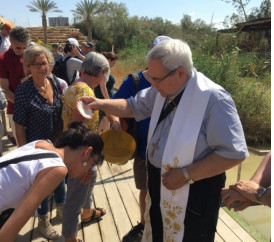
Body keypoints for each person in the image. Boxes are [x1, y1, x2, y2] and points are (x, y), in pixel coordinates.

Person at [81, 38, 249, 242]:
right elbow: (132, 106)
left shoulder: (214, 100)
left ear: (180, 72)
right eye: (150, 76)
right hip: (160, 183)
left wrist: (187, 174)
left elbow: (234, 152)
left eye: (156, 79)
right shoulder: (162, 89)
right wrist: (99, 103)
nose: (151, 83)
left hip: (192, 192)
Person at [0, 122, 104, 242]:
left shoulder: (41, 144)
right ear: (87, 152)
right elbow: (3, 237)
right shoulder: (57, 170)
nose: (89, 170)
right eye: (93, 163)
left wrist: (83, 168)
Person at [62, 52, 120, 242]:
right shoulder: (85, 92)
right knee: (74, 198)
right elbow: (76, 130)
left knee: (92, 176)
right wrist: (82, 163)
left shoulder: (75, 86)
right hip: (81, 155)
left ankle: (87, 212)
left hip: (85, 153)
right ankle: (70, 237)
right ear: (102, 72)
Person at [120, 35, 172, 242]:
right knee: (145, 190)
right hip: (143, 149)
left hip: (170, 154)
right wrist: (111, 117)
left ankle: (163, 227)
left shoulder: (182, 84)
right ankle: (143, 224)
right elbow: (119, 105)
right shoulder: (135, 81)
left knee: (168, 193)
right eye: (155, 53)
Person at [13, 45, 67, 239]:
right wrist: (25, 153)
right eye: (37, 65)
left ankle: (62, 209)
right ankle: (43, 221)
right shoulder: (24, 90)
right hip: (37, 147)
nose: (42, 68)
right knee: (42, 185)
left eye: (44, 63)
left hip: (57, 142)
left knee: (60, 177)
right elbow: (19, 125)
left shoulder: (53, 82)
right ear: (28, 66)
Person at [0, 26, 30, 143]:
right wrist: (23, 105)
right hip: (16, 107)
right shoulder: (3, 59)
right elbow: (5, 88)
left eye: (24, 48)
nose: (21, 51)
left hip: (35, 106)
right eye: (18, 48)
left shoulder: (30, 55)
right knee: (22, 146)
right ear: (10, 42)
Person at [94, 51, 117, 132]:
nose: (114, 65)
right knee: (106, 118)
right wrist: (108, 100)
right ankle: (104, 138)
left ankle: (101, 136)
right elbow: (102, 86)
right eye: (113, 63)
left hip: (101, 96)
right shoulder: (105, 69)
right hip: (104, 97)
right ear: (109, 60)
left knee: (104, 119)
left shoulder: (100, 67)